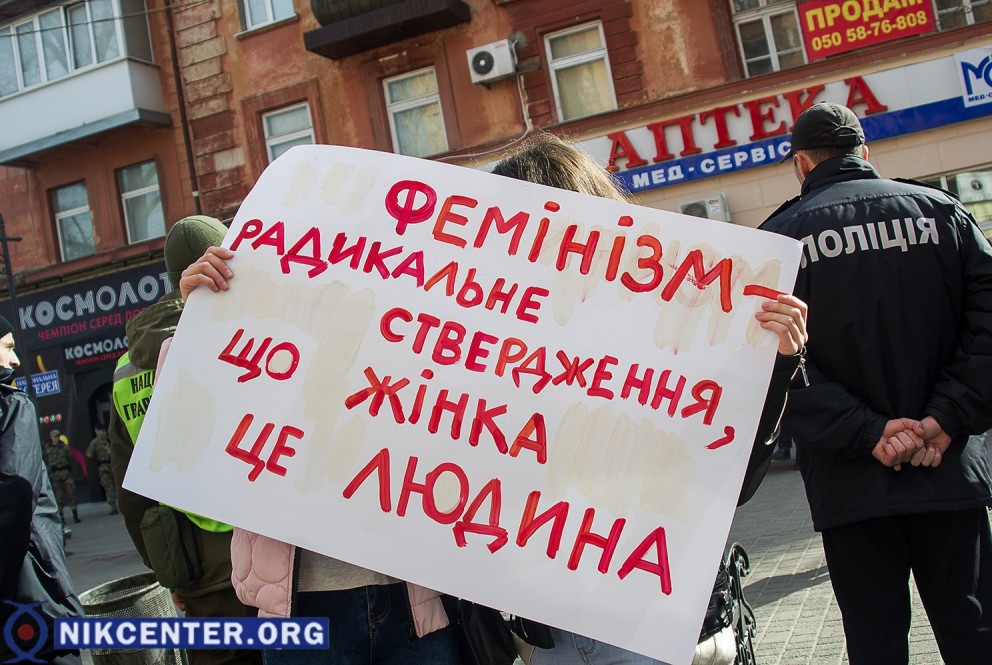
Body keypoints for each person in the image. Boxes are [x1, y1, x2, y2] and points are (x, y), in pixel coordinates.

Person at [181, 134, 807, 665]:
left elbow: (729, 479)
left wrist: (774, 367)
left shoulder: (661, 335)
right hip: (547, 634)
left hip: (647, 625)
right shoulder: (471, 342)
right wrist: (210, 321)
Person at [760, 102, 992, 665]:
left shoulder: (777, 242)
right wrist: (945, 418)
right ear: (864, 153)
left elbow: (775, 368)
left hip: (852, 486)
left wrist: (869, 433)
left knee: (876, 643)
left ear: (801, 164)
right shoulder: (941, 212)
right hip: (947, 469)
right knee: (976, 636)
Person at [109, 215, 262, 665]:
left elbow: (130, 492)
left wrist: (169, 573)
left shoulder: (125, 371)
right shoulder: (247, 333)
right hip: (264, 552)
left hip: (193, 565)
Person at [0, 314, 84, 664]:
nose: (15, 360)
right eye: (7, 347)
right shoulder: (11, 405)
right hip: (29, 596)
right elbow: (16, 495)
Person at [44, 428, 80, 523]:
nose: (56, 438)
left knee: (71, 494)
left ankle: (75, 514)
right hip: (55, 475)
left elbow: (69, 458)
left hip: (66, 473)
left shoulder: (64, 447)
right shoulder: (47, 448)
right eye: (54, 436)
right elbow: (45, 460)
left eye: (57, 436)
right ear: (51, 437)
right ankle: (61, 517)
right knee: (58, 497)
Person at [85, 423, 117, 514]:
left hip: (103, 466)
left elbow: (89, 455)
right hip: (115, 464)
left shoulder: (95, 442)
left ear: (97, 430)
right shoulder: (112, 437)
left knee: (108, 486)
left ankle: (113, 507)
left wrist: (96, 458)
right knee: (119, 484)